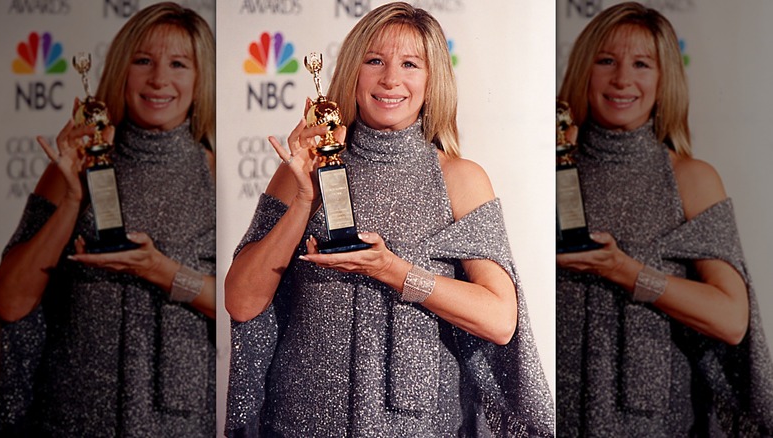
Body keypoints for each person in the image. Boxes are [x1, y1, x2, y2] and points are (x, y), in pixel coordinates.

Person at [224, 2, 553, 437]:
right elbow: (242, 302)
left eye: (410, 64)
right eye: (374, 60)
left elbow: (498, 317)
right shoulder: (304, 168)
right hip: (301, 420)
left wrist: (393, 271)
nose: (390, 79)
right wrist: (305, 197)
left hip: (421, 426)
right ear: (352, 72)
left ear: (432, 80)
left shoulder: (459, 178)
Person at [0, 2, 216, 436]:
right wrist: (74, 199)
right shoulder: (74, 165)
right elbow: (10, 301)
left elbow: (234, 304)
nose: (159, 80)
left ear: (200, 78)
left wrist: (160, 271)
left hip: (180, 420)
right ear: (120, 70)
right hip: (74, 411)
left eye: (178, 64)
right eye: (143, 61)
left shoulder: (213, 174)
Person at [556, 2, 773, 436]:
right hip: (560, 410)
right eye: (606, 61)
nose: (622, 80)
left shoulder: (690, 179)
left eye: (641, 64)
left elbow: (731, 319)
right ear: (583, 69)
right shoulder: (553, 170)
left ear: (664, 78)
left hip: (658, 421)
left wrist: (627, 272)